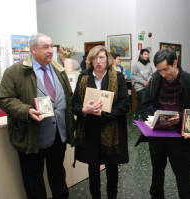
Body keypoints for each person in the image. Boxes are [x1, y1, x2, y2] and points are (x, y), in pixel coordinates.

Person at [0, 33, 74, 199]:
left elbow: (67, 97)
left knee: (58, 174)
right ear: (33, 50)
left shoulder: (58, 69)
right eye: (45, 47)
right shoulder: (15, 72)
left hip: (58, 136)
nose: (50, 51)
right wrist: (26, 110)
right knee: (33, 180)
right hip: (32, 137)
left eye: (51, 46)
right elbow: (4, 99)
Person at [142, 49, 190, 199]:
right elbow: (147, 102)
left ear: (175, 63)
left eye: (166, 69)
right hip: (158, 135)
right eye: (159, 70)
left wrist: (181, 117)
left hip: (180, 138)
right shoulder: (156, 78)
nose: (163, 74)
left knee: (183, 175)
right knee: (157, 172)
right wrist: (152, 116)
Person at [72, 45, 129, 199]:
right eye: (95, 58)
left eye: (102, 57)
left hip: (111, 131)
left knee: (112, 168)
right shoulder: (83, 77)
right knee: (93, 167)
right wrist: (84, 110)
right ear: (90, 60)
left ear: (107, 59)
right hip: (90, 130)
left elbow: (124, 105)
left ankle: (112, 196)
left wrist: (104, 113)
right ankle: (95, 196)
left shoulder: (117, 78)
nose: (98, 61)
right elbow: (74, 104)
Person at [131, 48, 155, 119]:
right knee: (144, 101)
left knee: (141, 102)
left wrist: (148, 80)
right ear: (141, 55)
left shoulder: (149, 65)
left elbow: (151, 74)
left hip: (147, 86)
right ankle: (144, 118)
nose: (147, 56)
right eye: (145, 54)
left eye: (147, 54)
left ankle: (136, 116)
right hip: (139, 87)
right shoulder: (136, 65)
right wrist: (142, 82)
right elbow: (132, 76)